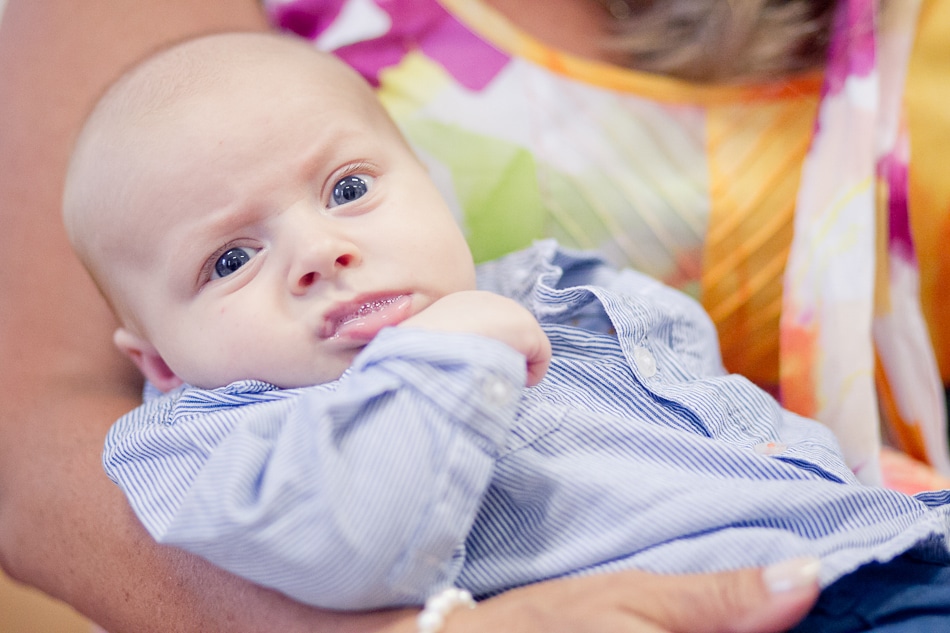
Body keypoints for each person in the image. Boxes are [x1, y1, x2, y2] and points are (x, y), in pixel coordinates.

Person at [0, 0, 944, 631]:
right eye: (231, 260)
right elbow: (350, 547)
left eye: (350, 188)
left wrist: (829, 469)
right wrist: (440, 363)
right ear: (159, 361)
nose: (319, 252)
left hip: (869, 533)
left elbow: (694, 394)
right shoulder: (230, 438)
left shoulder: (537, 285)